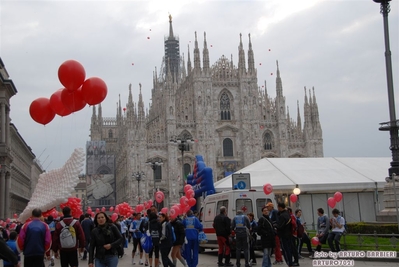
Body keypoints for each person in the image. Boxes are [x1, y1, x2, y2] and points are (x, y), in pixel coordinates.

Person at [275, 203, 292, 267]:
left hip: (283, 234)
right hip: (289, 233)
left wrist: (276, 226)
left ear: (280, 207)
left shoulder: (282, 216)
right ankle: (290, 262)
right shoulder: (287, 214)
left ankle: (289, 263)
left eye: (278, 207)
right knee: (289, 249)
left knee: (285, 249)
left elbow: (280, 226)